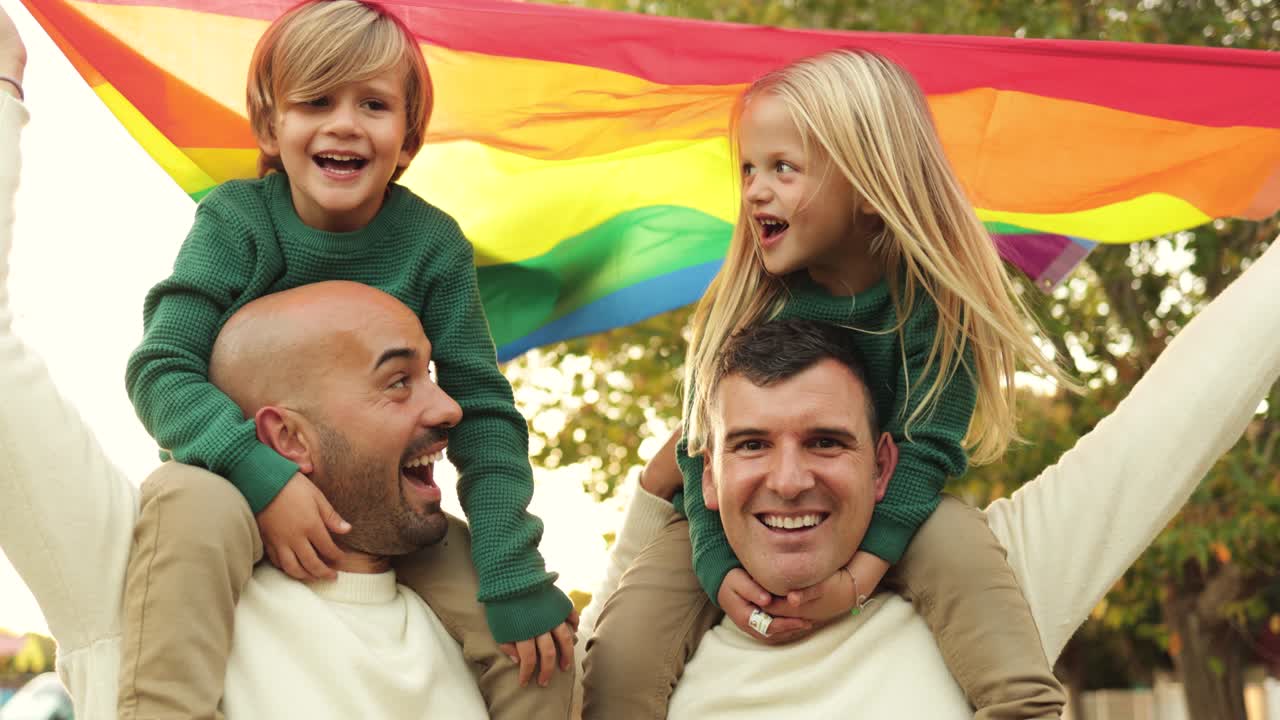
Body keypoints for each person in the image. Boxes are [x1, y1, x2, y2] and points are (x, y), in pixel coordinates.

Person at [116, 1, 574, 718]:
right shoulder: (237, 222)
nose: (345, 124)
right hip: (238, 484)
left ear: (408, 138)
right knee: (186, 503)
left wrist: (512, 563)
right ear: (271, 126)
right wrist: (260, 478)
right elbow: (162, 366)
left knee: (535, 642)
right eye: (316, 102)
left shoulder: (431, 245)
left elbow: (482, 410)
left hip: (377, 503)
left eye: (374, 104)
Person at [585, 48, 1071, 719]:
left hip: (895, 499)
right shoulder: (747, 304)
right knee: (626, 645)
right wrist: (716, 566)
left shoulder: (936, 305)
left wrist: (860, 576)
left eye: (782, 169)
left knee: (962, 552)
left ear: (870, 187)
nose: (755, 191)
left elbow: (928, 450)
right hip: (732, 520)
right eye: (749, 169)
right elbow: (702, 451)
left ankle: (1023, 706)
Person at [601, 275, 1279, 717]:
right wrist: (652, 500)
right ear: (706, 474)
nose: (788, 479)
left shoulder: (996, 578)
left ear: (883, 466)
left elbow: (1214, 372)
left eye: (826, 442)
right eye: (751, 444)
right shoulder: (637, 646)